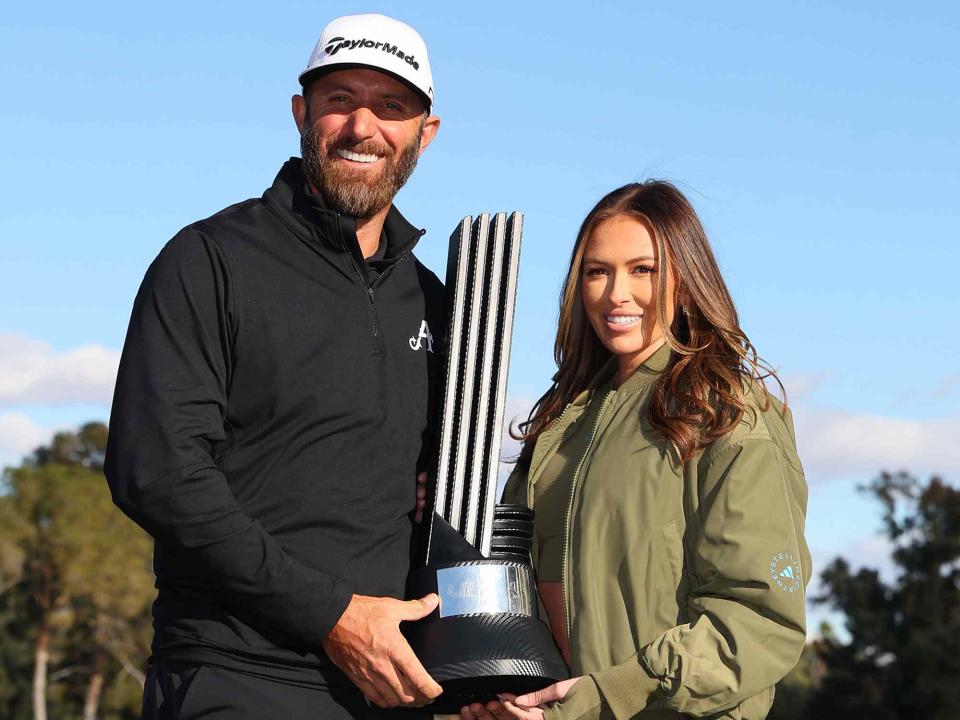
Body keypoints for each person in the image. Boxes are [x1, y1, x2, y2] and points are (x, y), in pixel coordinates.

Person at [105, 13, 448, 720]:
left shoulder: (438, 301)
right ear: (301, 112)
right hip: (234, 677)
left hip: (394, 688)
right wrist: (333, 616)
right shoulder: (210, 262)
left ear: (425, 133)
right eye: (339, 100)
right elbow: (158, 473)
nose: (363, 126)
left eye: (391, 107)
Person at [461, 181, 811, 720]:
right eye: (597, 272)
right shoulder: (561, 423)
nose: (615, 294)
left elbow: (759, 621)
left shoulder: (725, 414)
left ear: (686, 279)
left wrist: (611, 693)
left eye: (642, 270)